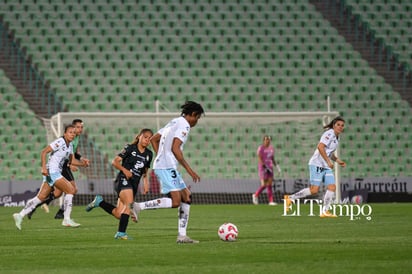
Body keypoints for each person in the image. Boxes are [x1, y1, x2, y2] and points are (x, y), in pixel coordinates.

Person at [131, 101, 205, 244]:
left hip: (166, 165)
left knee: (186, 197)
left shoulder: (174, 121)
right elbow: (175, 148)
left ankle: (182, 236)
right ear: (193, 115)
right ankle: (138, 206)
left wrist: (161, 155)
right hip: (166, 167)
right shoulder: (184, 125)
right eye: (198, 118)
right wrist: (190, 170)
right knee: (176, 201)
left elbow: (153, 139)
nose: (197, 121)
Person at [13, 124, 90, 230]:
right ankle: (66, 219)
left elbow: (71, 161)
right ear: (65, 133)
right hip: (52, 172)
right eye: (70, 132)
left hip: (53, 173)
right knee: (71, 190)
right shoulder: (60, 142)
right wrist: (43, 167)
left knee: (40, 197)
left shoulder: (70, 145)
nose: (72, 135)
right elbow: (44, 152)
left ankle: (20, 215)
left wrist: (83, 164)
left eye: (74, 133)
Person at [85, 129, 153, 240]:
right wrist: (125, 170)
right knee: (129, 204)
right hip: (123, 180)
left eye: (149, 139)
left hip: (134, 185)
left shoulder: (149, 154)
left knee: (119, 214)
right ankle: (121, 233)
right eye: (145, 137)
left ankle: (100, 202)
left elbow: (145, 171)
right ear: (139, 136)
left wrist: (146, 183)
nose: (147, 140)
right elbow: (115, 162)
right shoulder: (130, 148)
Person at [284, 116, 346, 217]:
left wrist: (338, 161)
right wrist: (328, 161)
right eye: (338, 125)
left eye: (342, 125)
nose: (340, 127)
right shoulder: (329, 133)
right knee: (314, 190)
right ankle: (290, 198)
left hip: (325, 165)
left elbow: (329, 153)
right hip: (317, 163)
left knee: (332, 187)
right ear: (334, 125)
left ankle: (325, 211)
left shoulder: (336, 137)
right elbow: (320, 147)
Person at [27, 119, 89, 220]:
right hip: (62, 167)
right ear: (72, 128)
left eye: (81, 127)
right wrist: (75, 163)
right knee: (72, 189)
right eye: (78, 127)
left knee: (57, 193)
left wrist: (81, 159)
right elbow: (69, 156)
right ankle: (61, 213)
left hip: (65, 166)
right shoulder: (66, 140)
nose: (80, 129)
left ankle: (35, 206)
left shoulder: (76, 139)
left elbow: (74, 153)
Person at [252, 135, 281, 206]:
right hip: (263, 168)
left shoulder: (271, 149)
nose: (267, 141)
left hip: (270, 167)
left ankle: (271, 201)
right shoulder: (261, 148)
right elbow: (259, 158)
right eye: (266, 139)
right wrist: (263, 165)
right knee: (264, 184)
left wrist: (277, 166)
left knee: (270, 184)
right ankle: (255, 195)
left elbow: (272, 158)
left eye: (268, 139)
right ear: (263, 141)